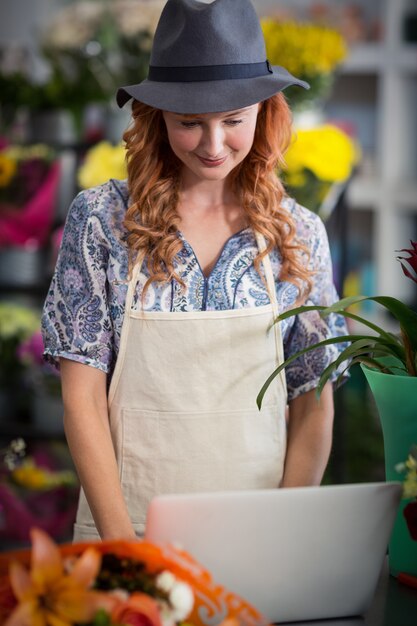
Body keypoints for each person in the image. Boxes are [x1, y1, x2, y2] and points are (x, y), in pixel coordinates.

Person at [41, 0, 349, 542]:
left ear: (265, 110)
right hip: (125, 532)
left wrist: (281, 539)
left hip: (258, 541)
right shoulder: (103, 220)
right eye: (190, 123)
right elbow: (81, 397)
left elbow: (312, 402)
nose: (212, 146)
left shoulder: (298, 235)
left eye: (233, 121)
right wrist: (123, 549)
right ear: (156, 117)